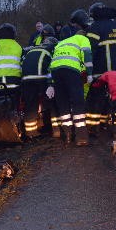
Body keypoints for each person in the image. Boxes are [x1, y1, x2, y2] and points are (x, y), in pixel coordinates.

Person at [48, 9, 93, 146]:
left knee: (63, 102)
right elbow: (87, 57)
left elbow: (51, 64)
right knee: (77, 101)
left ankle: (67, 135)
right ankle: (81, 137)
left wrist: (50, 83)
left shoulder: (60, 43)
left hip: (56, 71)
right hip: (71, 71)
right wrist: (90, 74)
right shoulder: (83, 39)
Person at [85, 2, 116, 136]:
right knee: (115, 99)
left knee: (95, 99)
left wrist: (88, 71)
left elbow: (90, 51)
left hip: (101, 72)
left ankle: (94, 128)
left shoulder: (94, 28)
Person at [20, 35, 58, 139]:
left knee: (30, 105)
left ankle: (31, 132)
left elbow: (22, 63)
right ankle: (55, 129)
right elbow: (52, 67)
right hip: (41, 78)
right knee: (51, 101)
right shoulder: (51, 50)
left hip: (26, 79)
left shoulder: (31, 50)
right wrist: (51, 84)